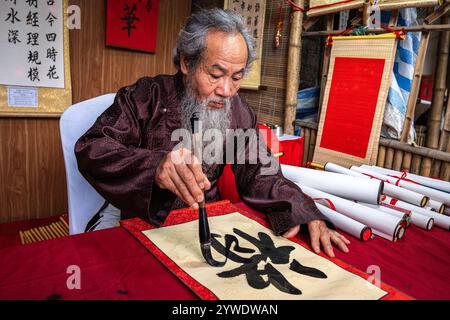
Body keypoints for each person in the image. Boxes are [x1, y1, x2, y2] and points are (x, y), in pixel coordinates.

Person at [75, 9, 350, 257]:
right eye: (216, 74)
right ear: (186, 63)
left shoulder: (239, 111)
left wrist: (303, 210)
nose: (227, 90)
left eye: (237, 77)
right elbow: (92, 147)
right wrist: (154, 167)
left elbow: (260, 172)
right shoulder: (147, 96)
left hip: (207, 222)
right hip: (142, 218)